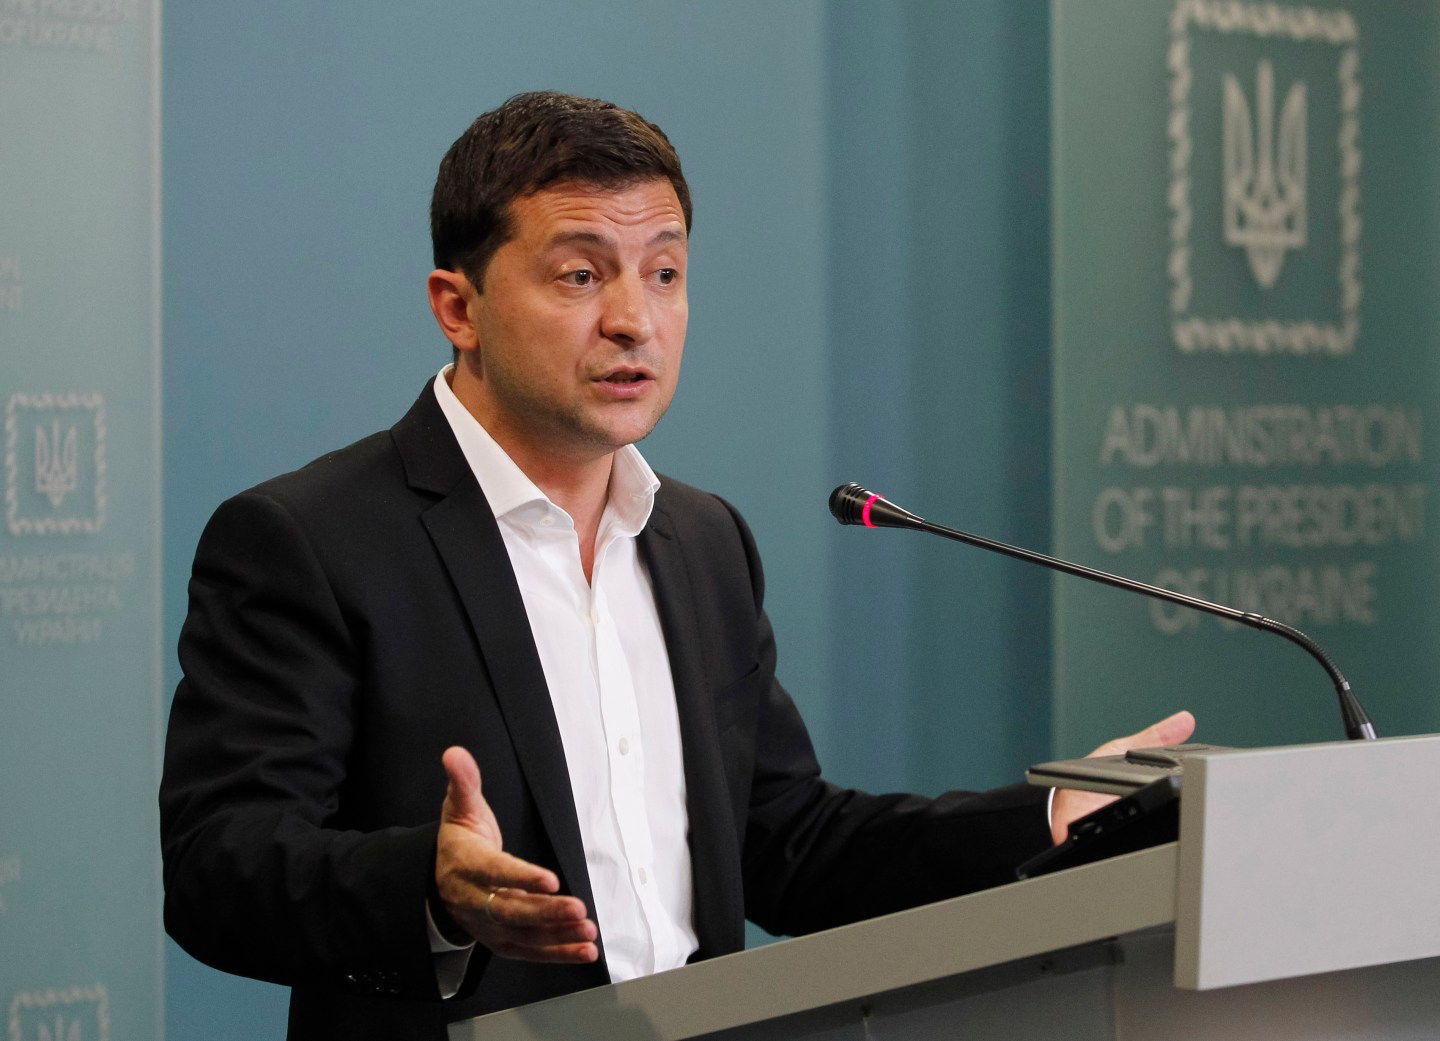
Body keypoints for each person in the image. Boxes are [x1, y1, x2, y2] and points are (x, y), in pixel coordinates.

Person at [159, 91, 1194, 1041]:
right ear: (458, 307)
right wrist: (425, 888)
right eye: (579, 274)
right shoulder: (312, 540)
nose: (633, 318)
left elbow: (785, 845)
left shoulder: (700, 543)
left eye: (664, 271)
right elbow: (218, 869)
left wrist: (1051, 817)